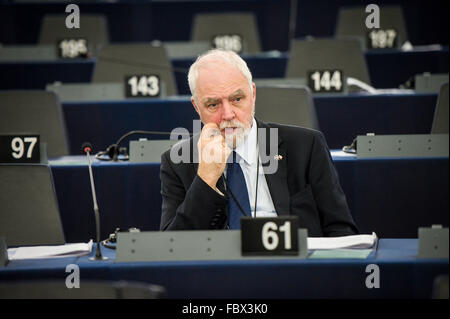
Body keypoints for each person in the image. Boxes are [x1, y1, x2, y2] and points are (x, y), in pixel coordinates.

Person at [160, 49, 358, 237]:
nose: (228, 114)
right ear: (196, 106)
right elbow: (171, 247)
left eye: (237, 99)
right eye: (213, 104)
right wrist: (205, 180)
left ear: (253, 94)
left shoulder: (306, 146)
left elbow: (341, 230)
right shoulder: (178, 162)